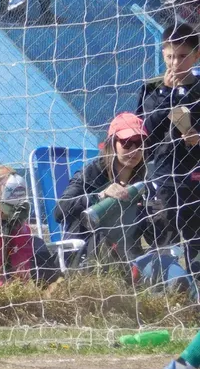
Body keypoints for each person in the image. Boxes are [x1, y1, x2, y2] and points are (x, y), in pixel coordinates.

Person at [54, 113, 191, 292]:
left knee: (176, 275)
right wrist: (99, 195)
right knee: (110, 243)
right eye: (127, 142)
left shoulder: (144, 183)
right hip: (87, 253)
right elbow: (59, 211)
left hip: (131, 256)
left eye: (140, 142)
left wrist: (157, 216)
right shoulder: (90, 174)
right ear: (112, 143)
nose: (134, 149)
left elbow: (156, 239)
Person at [138, 23, 200, 278]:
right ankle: (163, 289)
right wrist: (166, 94)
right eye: (170, 56)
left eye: (183, 56)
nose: (175, 63)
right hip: (163, 176)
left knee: (195, 240)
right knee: (162, 238)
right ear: (162, 54)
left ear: (197, 55)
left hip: (195, 174)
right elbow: (142, 133)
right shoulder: (151, 89)